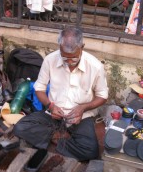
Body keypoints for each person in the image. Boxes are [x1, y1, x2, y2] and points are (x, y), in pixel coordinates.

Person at [13, 27, 109, 161]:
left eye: (74, 58)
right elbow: (39, 88)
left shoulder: (95, 66)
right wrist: (50, 106)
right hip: (54, 114)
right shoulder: (49, 60)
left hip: (81, 117)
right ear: (59, 46)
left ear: (82, 47)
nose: (69, 62)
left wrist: (83, 108)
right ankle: (58, 137)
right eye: (65, 58)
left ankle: (53, 142)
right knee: (20, 127)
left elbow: (103, 96)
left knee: (90, 151)